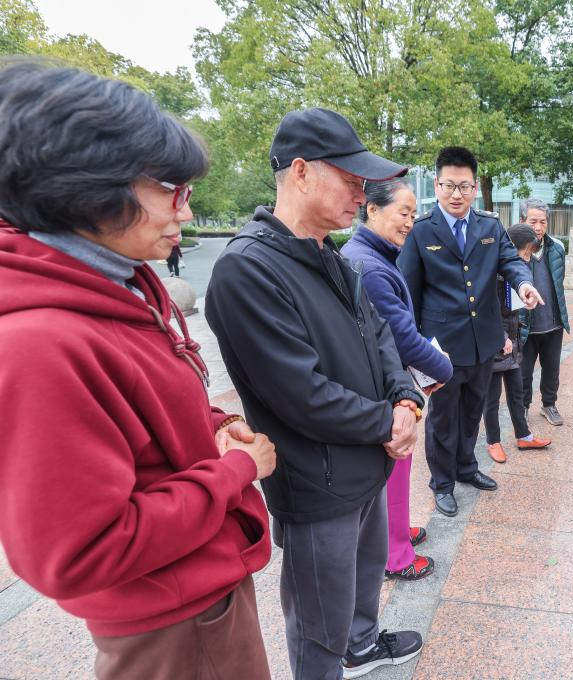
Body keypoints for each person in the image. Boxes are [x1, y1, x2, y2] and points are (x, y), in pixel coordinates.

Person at [0, 61, 277, 680]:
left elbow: (146, 409)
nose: (186, 211)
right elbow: (78, 552)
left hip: (195, 587)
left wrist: (214, 422)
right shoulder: (40, 342)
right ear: (89, 188)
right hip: (172, 621)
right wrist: (235, 471)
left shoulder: (117, 282)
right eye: (172, 189)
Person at [205, 108, 426, 679]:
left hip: (367, 464)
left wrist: (406, 399)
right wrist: (388, 422)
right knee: (318, 627)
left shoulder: (331, 253)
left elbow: (379, 335)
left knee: (360, 589)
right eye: (350, 180)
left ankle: (363, 645)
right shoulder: (248, 269)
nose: (361, 195)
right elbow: (299, 393)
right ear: (301, 172)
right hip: (318, 481)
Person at [397, 146, 544, 518]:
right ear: (437, 185)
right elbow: (409, 293)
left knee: (473, 411)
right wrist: (415, 348)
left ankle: (466, 467)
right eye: (449, 186)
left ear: (475, 187)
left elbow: (510, 261)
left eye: (464, 186)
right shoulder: (421, 231)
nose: (456, 194)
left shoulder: (489, 227)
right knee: (443, 418)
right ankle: (442, 483)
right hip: (441, 349)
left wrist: (524, 284)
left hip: (484, 342)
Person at [340, 178, 454, 580]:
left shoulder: (369, 255)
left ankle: (396, 533)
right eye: (403, 212)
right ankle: (395, 555)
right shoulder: (370, 266)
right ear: (372, 209)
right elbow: (401, 338)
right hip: (386, 390)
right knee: (394, 469)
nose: (409, 222)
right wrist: (443, 368)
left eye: (412, 214)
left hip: (385, 383)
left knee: (396, 472)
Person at [484, 223, 554, 463]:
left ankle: (524, 435)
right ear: (511, 247)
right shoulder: (492, 271)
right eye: (524, 253)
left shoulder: (515, 274)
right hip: (496, 342)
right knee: (491, 398)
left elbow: (511, 310)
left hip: (512, 342)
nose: (526, 259)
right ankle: (493, 441)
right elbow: (488, 310)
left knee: (517, 392)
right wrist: (501, 337)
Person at [518, 198, 570, 427]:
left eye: (543, 222)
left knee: (552, 370)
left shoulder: (557, 248)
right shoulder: (513, 250)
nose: (538, 227)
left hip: (553, 323)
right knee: (523, 373)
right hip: (525, 325)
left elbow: (559, 281)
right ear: (522, 221)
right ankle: (522, 407)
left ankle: (549, 405)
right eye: (533, 222)